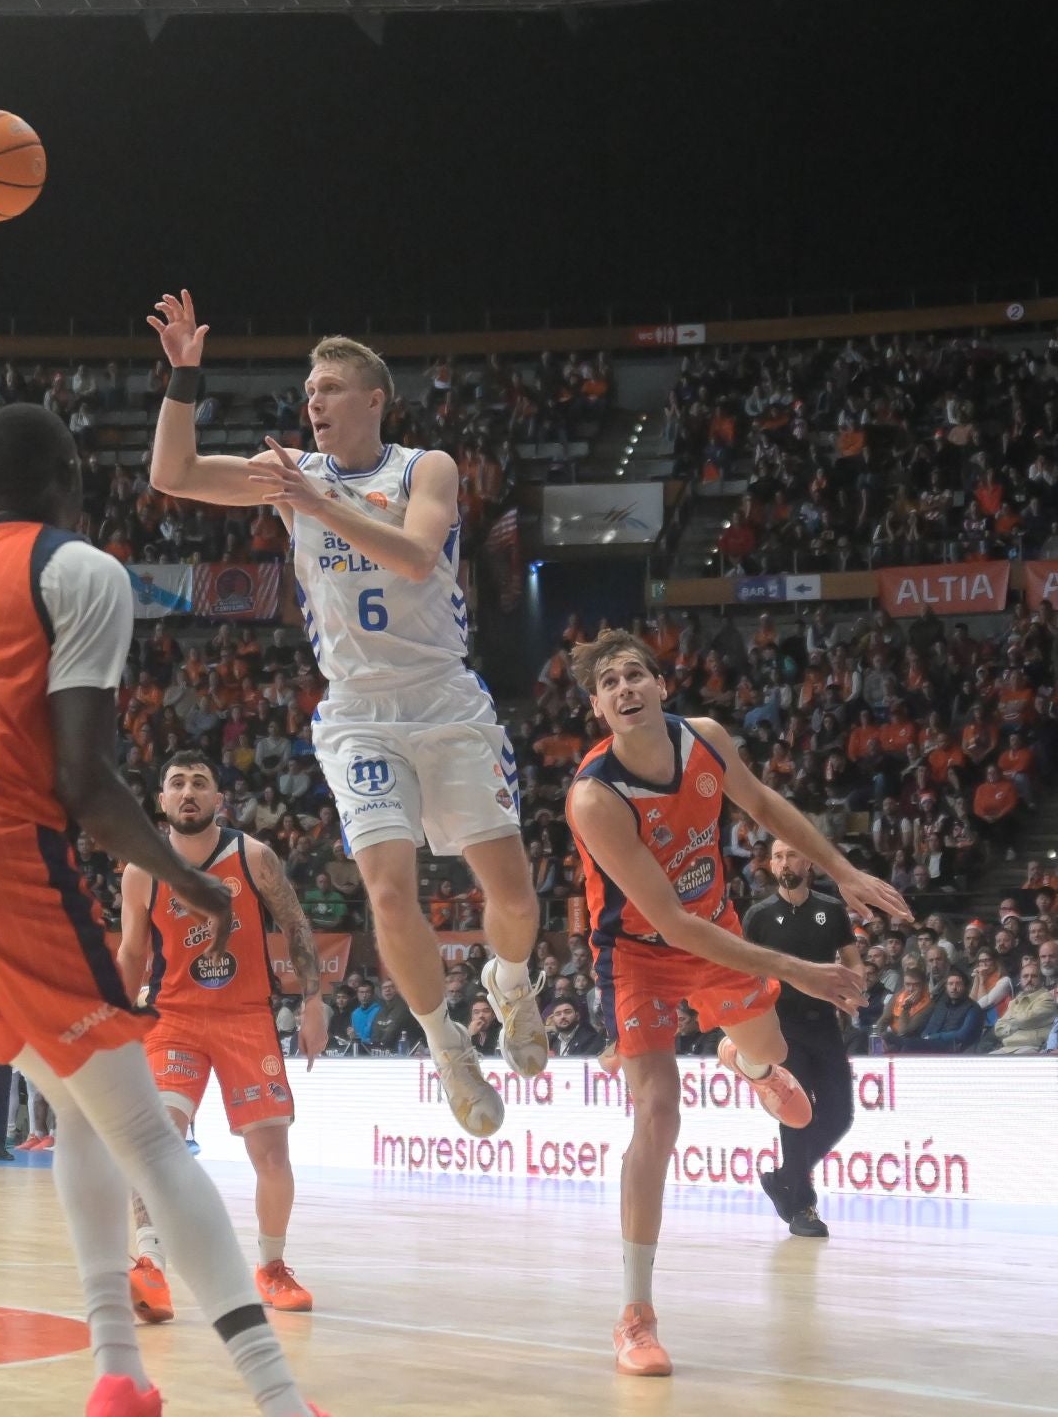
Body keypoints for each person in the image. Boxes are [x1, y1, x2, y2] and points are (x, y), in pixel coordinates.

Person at [0, 402, 331, 1417]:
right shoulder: (78, 569)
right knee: (146, 1134)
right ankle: (278, 1400)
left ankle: (119, 1377)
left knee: (84, 1104)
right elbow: (86, 783)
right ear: (70, 480)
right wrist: (191, 886)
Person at [147, 292, 544, 1137]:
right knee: (388, 896)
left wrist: (312, 502)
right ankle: (445, 1043)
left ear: (373, 400)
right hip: (359, 712)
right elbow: (171, 475)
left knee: (513, 897)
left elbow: (409, 555)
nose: (312, 402)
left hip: (444, 698)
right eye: (307, 392)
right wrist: (184, 377)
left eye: (328, 388)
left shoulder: (422, 468)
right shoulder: (295, 473)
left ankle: (509, 983)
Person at [565, 629, 906, 1378]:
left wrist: (840, 869)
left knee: (775, 1055)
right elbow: (670, 924)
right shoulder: (594, 797)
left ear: (660, 684)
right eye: (608, 684)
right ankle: (634, 1314)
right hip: (637, 954)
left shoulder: (708, 740)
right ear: (597, 708)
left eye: (634, 676)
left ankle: (746, 1064)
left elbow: (766, 805)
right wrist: (797, 969)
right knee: (656, 1113)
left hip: (713, 926)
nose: (624, 689)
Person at [117, 753, 327, 1323]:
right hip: (173, 1020)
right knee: (157, 1139)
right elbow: (133, 953)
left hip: (244, 1017)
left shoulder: (252, 857)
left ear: (218, 801)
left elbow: (296, 925)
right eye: (177, 783)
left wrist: (312, 1000)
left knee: (271, 1152)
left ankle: (272, 1267)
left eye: (200, 783)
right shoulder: (140, 870)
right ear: (161, 800)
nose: (188, 792)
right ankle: (149, 1264)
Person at [743, 839, 862, 1239]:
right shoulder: (758, 915)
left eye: (792, 853)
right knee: (795, 1115)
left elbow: (852, 958)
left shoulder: (831, 909)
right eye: (777, 856)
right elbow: (744, 970)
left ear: (808, 861)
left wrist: (854, 986)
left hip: (825, 1024)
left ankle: (785, 1178)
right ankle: (803, 1208)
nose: (784, 861)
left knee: (840, 1114)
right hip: (781, 1028)